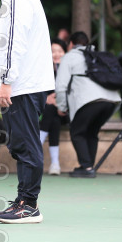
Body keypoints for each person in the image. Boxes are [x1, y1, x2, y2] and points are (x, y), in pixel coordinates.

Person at [0, 0, 55, 224]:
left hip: (21, 85)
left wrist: (4, 81)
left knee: (25, 144)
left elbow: (14, 42)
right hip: (23, 84)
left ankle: (28, 205)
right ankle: (24, 200)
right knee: (21, 143)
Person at [55, 31, 121, 178]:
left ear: (71, 44)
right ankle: (89, 166)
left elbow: (60, 86)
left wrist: (61, 106)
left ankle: (87, 167)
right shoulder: (96, 56)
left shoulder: (69, 57)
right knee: (91, 132)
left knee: (77, 132)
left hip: (89, 101)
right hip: (110, 101)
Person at [39, 38, 68, 175]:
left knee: (52, 111)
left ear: (65, 52)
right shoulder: (44, 71)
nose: (56, 54)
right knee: (54, 120)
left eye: (60, 51)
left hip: (67, 111)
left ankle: (36, 146)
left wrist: (61, 103)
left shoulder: (69, 69)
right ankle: (55, 164)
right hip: (51, 113)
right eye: (53, 51)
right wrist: (46, 99)